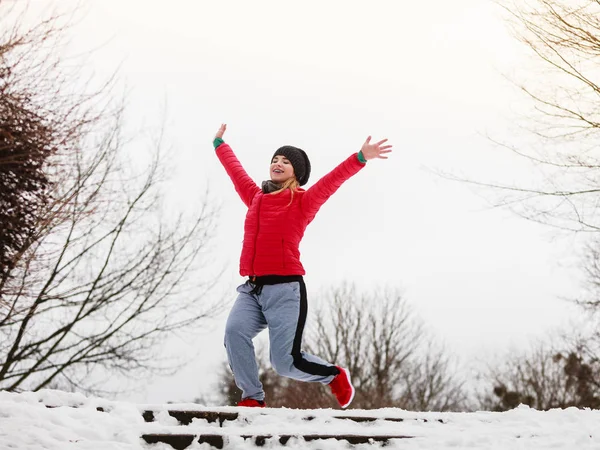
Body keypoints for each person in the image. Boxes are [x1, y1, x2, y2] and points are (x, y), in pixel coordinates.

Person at [214, 123, 392, 408]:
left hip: (285, 291)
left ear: (296, 171)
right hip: (253, 288)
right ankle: (252, 397)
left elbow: (332, 181)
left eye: (285, 161)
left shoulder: (302, 202)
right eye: (275, 159)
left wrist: (360, 157)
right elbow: (236, 174)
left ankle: (333, 375)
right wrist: (220, 145)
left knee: (284, 363)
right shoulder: (256, 198)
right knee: (234, 333)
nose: (277, 163)